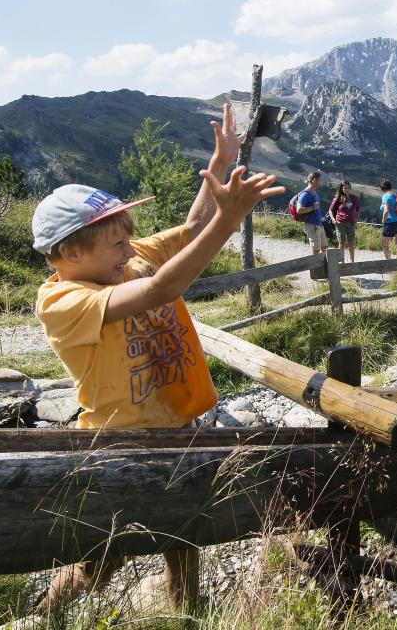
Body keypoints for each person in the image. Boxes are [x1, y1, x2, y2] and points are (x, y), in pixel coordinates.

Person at [28, 103, 284, 616]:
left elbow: (191, 229)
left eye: (127, 236)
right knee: (104, 556)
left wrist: (218, 172)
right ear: (70, 254)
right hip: (117, 443)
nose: (129, 247)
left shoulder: (127, 258)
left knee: (183, 540)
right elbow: (164, 286)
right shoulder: (63, 301)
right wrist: (229, 220)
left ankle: (184, 618)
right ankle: (45, 616)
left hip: (180, 426)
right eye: (116, 240)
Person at [294, 170, 326, 255]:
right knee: (316, 250)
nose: (320, 182)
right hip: (311, 225)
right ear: (313, 180)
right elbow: (299, 210)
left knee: (324, 247)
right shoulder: (305, 194)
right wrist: (312, 207)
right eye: (319, 180)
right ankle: (313, 268)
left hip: (319, 223)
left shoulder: (314, 193)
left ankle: (323, 267)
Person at [329, 180, 361, 263]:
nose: (346, 189)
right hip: (340, 222)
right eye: (344, 188)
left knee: (351, 242)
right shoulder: (338, 198)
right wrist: (333, 219)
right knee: (341, 242)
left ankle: (352, 261)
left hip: (351, 223)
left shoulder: (354, 198)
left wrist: (356, 218)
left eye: (347, 187)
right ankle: (341, 261)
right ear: (341, 189)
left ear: (350, 188)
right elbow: (331, 210)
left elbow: (357, 209)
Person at [379, 178, 397, 260]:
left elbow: (386, 211)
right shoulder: (396, 195)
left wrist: (383, 221)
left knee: (385, 244)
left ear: (382, 188)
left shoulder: (385, 196)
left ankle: (389, 264)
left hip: (391, 223)